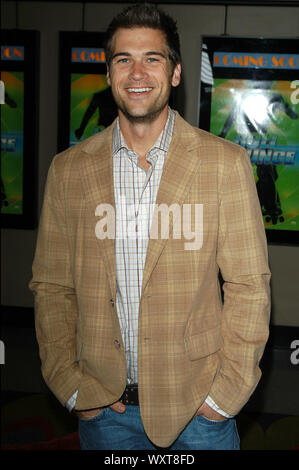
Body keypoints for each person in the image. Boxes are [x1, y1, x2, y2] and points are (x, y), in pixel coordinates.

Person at [29, 3, 271, 451]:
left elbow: (249, 286)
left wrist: (224, 396)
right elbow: (51, 286)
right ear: (108, 73)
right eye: (124, 59)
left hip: (199, 415)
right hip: (104, 415)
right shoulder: (68, 171)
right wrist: (72, 386)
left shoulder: (224, 164)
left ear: (175, 73)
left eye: (152, 59)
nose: (137, 73)